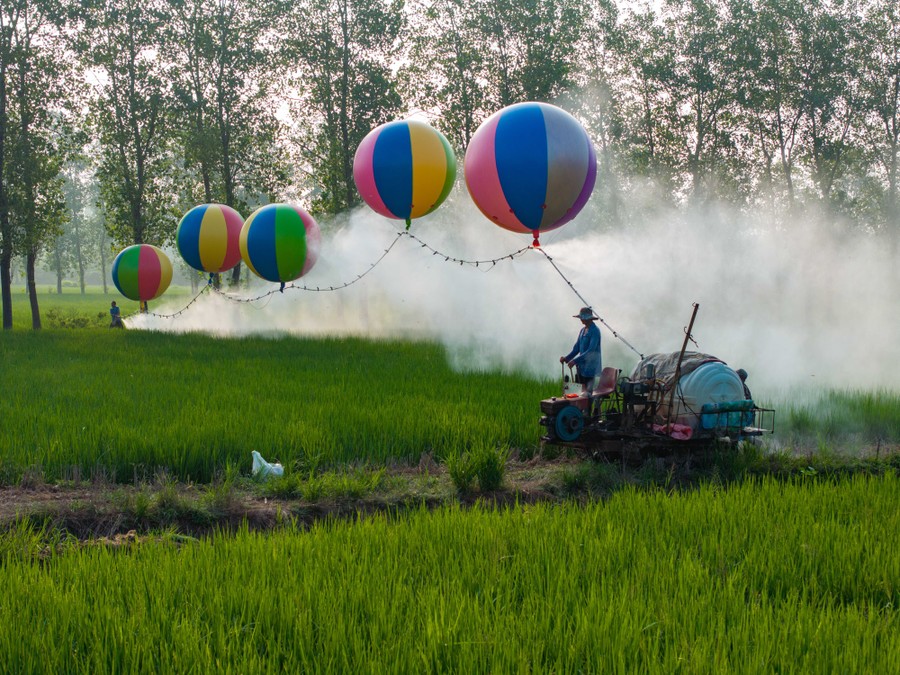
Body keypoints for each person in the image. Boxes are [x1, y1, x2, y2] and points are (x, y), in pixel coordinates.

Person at [560, 307, 602, 392]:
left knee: (587, 394)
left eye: (582, 318)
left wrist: (575, 361)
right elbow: (576, 348)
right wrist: (567, 358)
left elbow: (591, 351)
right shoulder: (582, 330)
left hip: (590, 367)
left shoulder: (595, 331)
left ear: (589, 319)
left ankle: (588, 405)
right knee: (578, 392)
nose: (581, 320)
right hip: (581, 367)